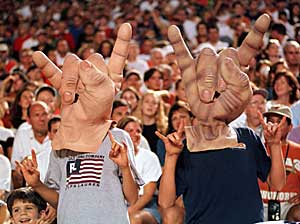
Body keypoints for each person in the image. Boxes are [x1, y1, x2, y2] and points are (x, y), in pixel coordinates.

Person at [155, 14, 286, 223]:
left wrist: (274, 145)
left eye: (219, 94)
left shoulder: (247, 137)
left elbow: (277, 183)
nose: (212, 100)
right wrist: (171, 157)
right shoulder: (184, 145)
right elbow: (165, 202)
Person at [17, 23, 143, 224]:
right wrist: (37, 184)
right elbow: (60, 199)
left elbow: (133, 197)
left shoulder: (117, 137)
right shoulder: (61, 142)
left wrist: (125, 168)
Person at [258, 104, 300, 221]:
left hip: (289, 206)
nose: (275, 125)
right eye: (271, 121)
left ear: (290, 126)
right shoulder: (256, 148)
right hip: (259, 205)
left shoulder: (299, 151)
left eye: (280, 121)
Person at [118, 116, 162, 224]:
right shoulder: (113, 157)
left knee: (133, 220)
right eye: (130, 131)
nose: (135, 134)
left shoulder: (150, 157)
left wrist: (127, 212)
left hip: (145, 207)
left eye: (138, 131)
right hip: (119, 205)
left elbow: (148, 194)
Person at [11, 101, 51, 188]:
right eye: (37, 115)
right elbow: (15, 171)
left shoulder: (57, 133)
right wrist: (22, 170)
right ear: (28, 120)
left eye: (44, 114)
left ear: (50, 116)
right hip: (29, 189)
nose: (42, 119)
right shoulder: (22, 134)